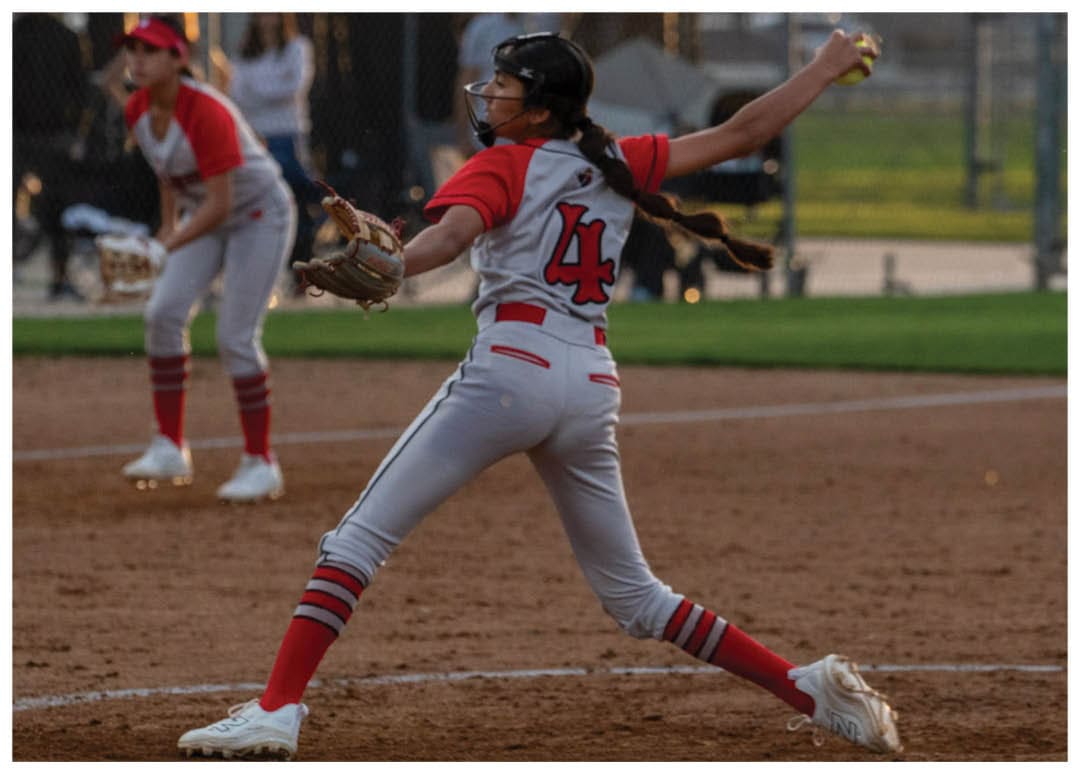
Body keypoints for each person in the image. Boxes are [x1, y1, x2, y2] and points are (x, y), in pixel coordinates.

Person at [177, 30, 900, 759]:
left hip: (510, 373)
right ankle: (807, 688)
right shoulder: (617, 158)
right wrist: (825, 65)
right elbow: (748, 130)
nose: (490, 93)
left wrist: (392, 264)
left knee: (355, 542)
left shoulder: (504, 163)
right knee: (636, 597)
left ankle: (276, 709)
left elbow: (447, 240)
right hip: (588, 382)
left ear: (541, 107)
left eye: (504, 84)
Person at [117, 15, 297, 503]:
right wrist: (166, 228)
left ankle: (262, 463)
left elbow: (221, 202)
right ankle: (168, 447)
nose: (136, 59)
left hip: (260, 214)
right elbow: (167, 172)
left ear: (179, 57)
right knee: (163, 313)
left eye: (149, 50)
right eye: (132, 49)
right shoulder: (138, 107)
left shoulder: (207, 111)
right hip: (207, 217)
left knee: (235, 336)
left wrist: (164, 246)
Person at [225, 13, 318, 291]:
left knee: (294, 200)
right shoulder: (244, 54)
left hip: (287, 137)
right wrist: (269, 90)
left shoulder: (297, 48)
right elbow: (236, 93)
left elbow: (293, 88)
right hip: (254, 138)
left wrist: (257, 90)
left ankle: (301, 269)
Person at [12, 12, 89, 301]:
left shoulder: (66, 36)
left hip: (53, 134)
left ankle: (60, 277)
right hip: (19, 133)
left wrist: (73, 132)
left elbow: (79, 88)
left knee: (58, 209)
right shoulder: (16, 33)